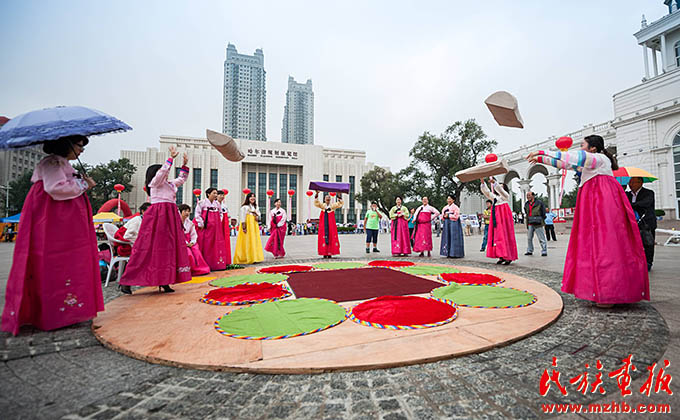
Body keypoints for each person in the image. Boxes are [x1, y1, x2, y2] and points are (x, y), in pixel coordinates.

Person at [527, 134, 649, 307]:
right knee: (594, 243)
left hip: (601, 201)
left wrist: (541, 151)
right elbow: (565, 164)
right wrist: (540, 159)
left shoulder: (598, 159)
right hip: (594, 201)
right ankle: (599, 288)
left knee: (605, 244)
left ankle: (608, 292)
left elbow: (572, 157)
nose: (581, 147)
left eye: (583, 145)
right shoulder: (593, 162)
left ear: (592, 148)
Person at [1, 135, 104, 335]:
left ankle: (69, 310)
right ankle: (55, 313)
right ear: (66, 144)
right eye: (79, 145)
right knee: (53, 261)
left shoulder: (63, 164)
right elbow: (54, 188)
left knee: (71, 261)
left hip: (65, 219)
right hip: (54, 218)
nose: (81, 150)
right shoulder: (52, 162)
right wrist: (84, 185)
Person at [119, 147, 191, 294]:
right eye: (163, 171)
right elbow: (162, 173)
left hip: (169, 217)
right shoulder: (154, 184)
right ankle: (127, 281)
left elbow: (181, 179)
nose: (167, 173)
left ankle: (165, 280)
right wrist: (170, 159)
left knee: (168, 250)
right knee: (148, 249)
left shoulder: (169, 184)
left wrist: (184, 165)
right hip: (158, 217)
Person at [481, 177, 518, 265]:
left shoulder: (505, 197)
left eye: (501, 187)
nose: (499, 189)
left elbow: (502, 192)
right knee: (497, 236)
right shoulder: (495, 198)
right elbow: (487, 192)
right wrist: (483, 183)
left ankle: (508, 256)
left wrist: (495, 183)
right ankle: (501, 255)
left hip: (504, 217)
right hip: (496, 217)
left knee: (505, 235)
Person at [626, 177, 657, 271]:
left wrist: (630, 205)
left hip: (646, 223)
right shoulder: (627, 194)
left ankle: (648, 263)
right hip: (633, 223)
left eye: (633, 182)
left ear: (640, 183)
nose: (630, 184)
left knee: (648, 243)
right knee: (633, 243)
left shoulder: (649, 193)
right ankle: (636, 261)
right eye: (629, 182)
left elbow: (645, 203)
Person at [194, 188, 228, 270]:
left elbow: (221, 213)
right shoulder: (202, 203)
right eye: (214, 193)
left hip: (216, 228)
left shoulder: (217, 204)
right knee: (206, 245)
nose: (216, 195)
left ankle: (215, 264)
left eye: (216, 193)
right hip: (206, 228)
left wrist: (219, 221)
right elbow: (197, 214)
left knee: (216, 245)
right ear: (208, 194)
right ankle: (206, 263)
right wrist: (200, 223)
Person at [178, 204, 210, 275]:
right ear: (180, 212)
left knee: (196, 251)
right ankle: (188, 270)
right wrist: (186, 243)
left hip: (190, 241)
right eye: (185, 211)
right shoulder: (176, 223)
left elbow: (193, 234)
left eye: (188, 211)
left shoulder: (190, 223)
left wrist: (192, 242)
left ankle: (199, 269)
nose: (187, 213)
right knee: (188, 253)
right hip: (180, 242)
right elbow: (178, 236)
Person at [233, 192, 264, 264]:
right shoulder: (244, 207)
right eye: (251, 197)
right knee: (247, 240)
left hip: (254, 225)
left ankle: (255, 257)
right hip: (248, 225)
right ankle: (246, 257)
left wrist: (257, 216)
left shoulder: (256, 207)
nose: (253, 198)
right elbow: (242, 217)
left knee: (254, 240)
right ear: (248, 198)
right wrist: (244, 227)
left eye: (254, 197)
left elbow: (259, 216)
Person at [314, 191, 343, 258]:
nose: (327, 199)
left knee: (331, 236)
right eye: (326, 198)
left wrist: (338, 195)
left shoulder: (332, 206)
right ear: (324, 199)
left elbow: (340, 203)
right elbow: (316, 203)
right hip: (323, 223)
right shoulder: (322, 206)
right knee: (323, 236)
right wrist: (317, 194)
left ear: (330, 200)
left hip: (331, 224)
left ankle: (330, 252)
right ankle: (324, 252)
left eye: (328, 198)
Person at [524, 191, 548, 257]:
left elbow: (543, 212)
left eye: (529, 195)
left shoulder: (539, 203)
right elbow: (526, 211)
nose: (528, 197)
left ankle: (544, 250)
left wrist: (541, 218)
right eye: (527, 195)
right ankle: (530, 250)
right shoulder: (526, 204)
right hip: (530, 223)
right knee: (529, 238)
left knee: (541, 238)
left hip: (538, 222)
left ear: (533, 196)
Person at [217, 189, 233, 263]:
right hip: (217, 224)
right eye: (220, 195)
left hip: (224, 225)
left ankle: (225, 260)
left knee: (225, 241)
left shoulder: (224, 206)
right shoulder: (214, 205)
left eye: (223, 195)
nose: (222, 196)